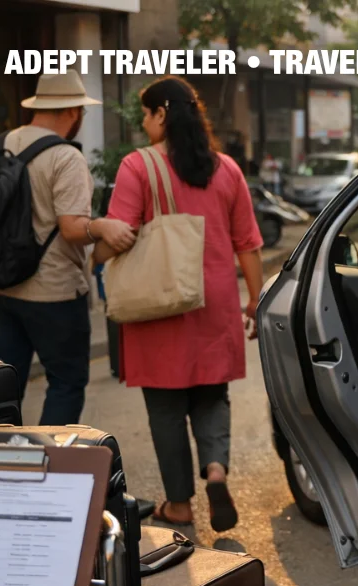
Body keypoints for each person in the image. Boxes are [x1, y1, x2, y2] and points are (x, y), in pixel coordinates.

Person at [98, 76, 264, 531]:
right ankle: (215, 469)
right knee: (212, 396)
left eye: (146, 115)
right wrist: (253, 299)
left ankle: (179, 504)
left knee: (167, 411)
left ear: (162, 115)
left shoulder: (139, 167)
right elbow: (248, 243)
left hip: (159, 306)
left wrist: (90, 242)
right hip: (215, 303)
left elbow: (121, 233)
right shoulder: (226, 168)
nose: (144, 124)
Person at [0, 73, 136, 425]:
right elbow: (72, 228)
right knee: (66, 382)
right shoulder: (65, 157)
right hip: (53, 293)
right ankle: (45, 467)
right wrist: (103, 225)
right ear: (71, 112)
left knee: (6, 385)